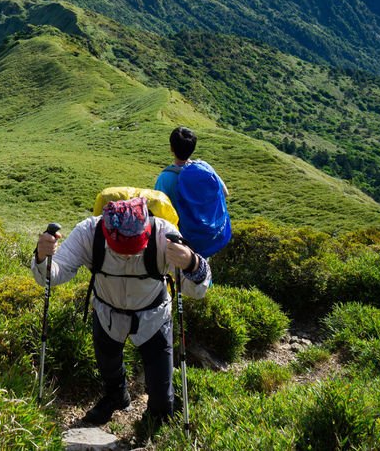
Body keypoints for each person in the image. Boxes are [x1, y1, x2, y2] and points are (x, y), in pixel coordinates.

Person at [33, 197, 212, 427]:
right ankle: (116, 396)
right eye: (120, 250)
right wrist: (41, 256)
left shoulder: (165, 236)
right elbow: (53, 274)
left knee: (161, 390)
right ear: (106, 231)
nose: (127, 255)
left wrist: (192, 263)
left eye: (134, 248)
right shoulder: (89, 232)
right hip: (107, 314)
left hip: (153, 317)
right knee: (108, 365)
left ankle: (156, 417)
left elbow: (196, 289)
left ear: (147, 231)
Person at [154, 126, 231, 258]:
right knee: (203, 273)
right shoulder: (205, 167)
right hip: (206, 236)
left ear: (171, 148)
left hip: (184, 243)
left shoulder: (165, 178)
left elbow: (158, 214)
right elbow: (224, 192)